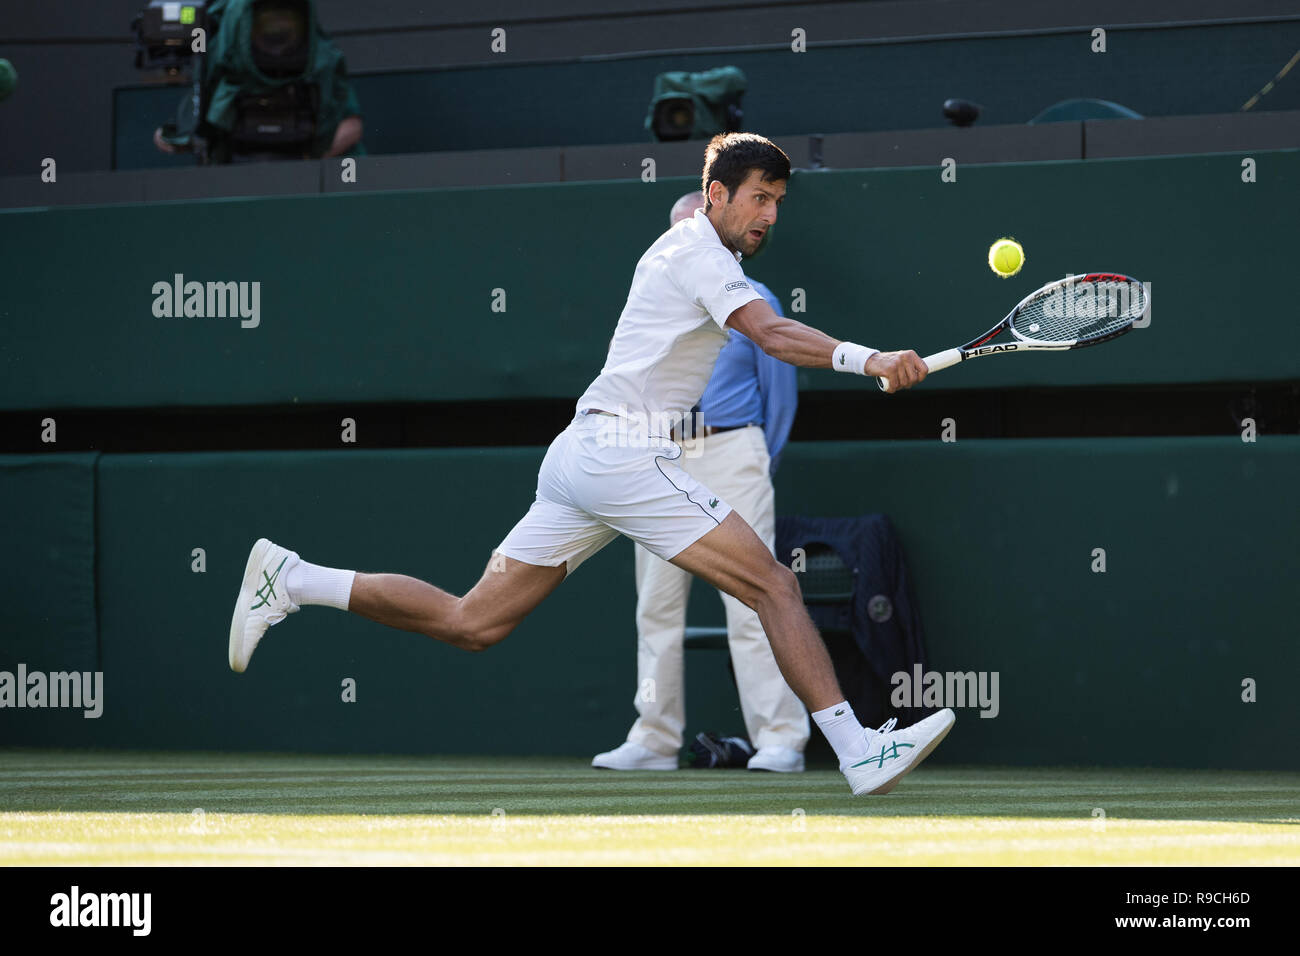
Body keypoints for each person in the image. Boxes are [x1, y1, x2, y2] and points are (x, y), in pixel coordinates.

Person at [228, 132, 954, 796]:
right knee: (773, 584)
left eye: (779, 202)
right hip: (624, 454)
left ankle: (292, 579)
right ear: (716, 196)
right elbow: (769, 332)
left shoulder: (689, 254)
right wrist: (872, 359)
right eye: (758, 197)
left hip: (582, 455)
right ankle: (859, 751)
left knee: (472, 621)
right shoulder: (697, 250)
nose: (769, 214)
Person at [592, 191, 809, 773]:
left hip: (733, 449)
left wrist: (755, 459)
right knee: (656, 605)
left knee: (753, 598)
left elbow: (779, 398)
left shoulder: (755, 301)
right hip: (658, 457)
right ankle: (654, 739)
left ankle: (781, 739)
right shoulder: (658, 301)